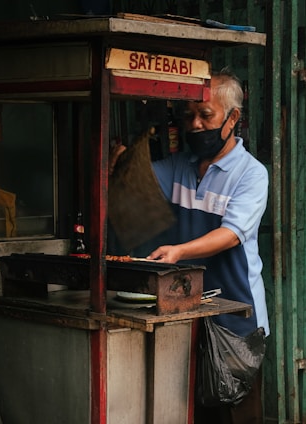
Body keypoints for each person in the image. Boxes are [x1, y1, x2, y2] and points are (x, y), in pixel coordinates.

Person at [109, 68, 269, 423]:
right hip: (186, 309)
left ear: (233, 118)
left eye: (205, 115)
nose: (195, 124)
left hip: (236, 315)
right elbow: (139, 186)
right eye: (189, 116)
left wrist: (179, 251)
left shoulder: (252, 174)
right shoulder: (180, 166)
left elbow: (230, 234)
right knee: (192, 410)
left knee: (236, 411)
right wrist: (119, 165)